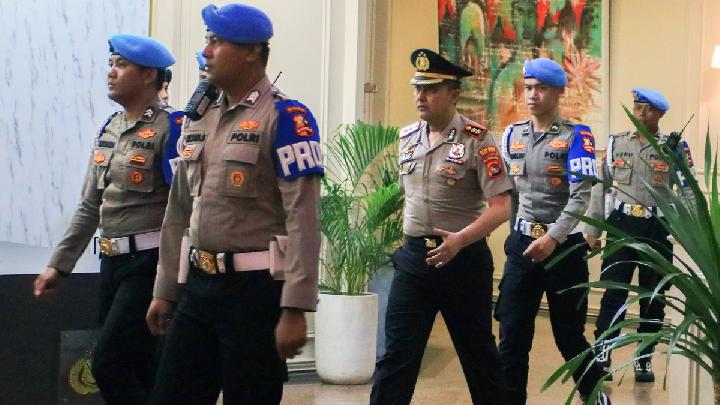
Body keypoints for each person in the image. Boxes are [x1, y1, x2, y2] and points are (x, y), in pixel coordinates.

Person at [145, 4, 322, 404]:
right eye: (207, 40)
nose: (206, 51)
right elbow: (179, 210)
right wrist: (165, 289)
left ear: (251, 52)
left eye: (217, 41)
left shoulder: (286, 118)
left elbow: (303, 218)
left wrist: (295, 308)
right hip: (198, 286)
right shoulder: (198, 117)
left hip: (254, 294)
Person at [33, 34, 178, 404]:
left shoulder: (173, 128)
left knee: (108, 364)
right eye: (111, 64)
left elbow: (185, 209)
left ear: (149, 75)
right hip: (112, 263)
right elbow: (89, 205)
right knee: (141, 367)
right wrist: (59, 265)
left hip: (150, 265)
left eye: (121, 65)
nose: (111, 72)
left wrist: (172, 280)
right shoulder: (110, 127)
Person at [370, 48, 512, 405]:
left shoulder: (477, 139)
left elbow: (502, 206)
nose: (421, 96)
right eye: (417, 88)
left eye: (431, 89)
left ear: (453, 93)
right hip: (415, 260)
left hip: (463, 260)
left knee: (478, 354)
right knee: (397, 355)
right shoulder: (407, 138)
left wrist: (460, 240)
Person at [495, 57, 611, 405]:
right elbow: (510, 193)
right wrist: (516, 237)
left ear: (559, 92)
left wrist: (552, 238)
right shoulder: (512, 135)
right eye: (529, 87)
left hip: (564, 249)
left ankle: (595, 396)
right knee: (512, 336)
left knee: (569, 336)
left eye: (541, 88)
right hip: (523, 245)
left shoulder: (577, 136)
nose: (532, 95)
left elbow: (580, 197)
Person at [586, 88, 694, 383]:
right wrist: (593, 229)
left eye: (647, 109)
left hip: (657, 229)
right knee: (614, 292)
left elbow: (688, 191)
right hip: (621, 225)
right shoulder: (617, 143)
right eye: (637, 107)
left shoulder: (674, 148)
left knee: (653, 297)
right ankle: (603, 353)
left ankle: (644, 358)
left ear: (660, 114)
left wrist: (688, 233)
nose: (641, 114)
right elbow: (600, 186)